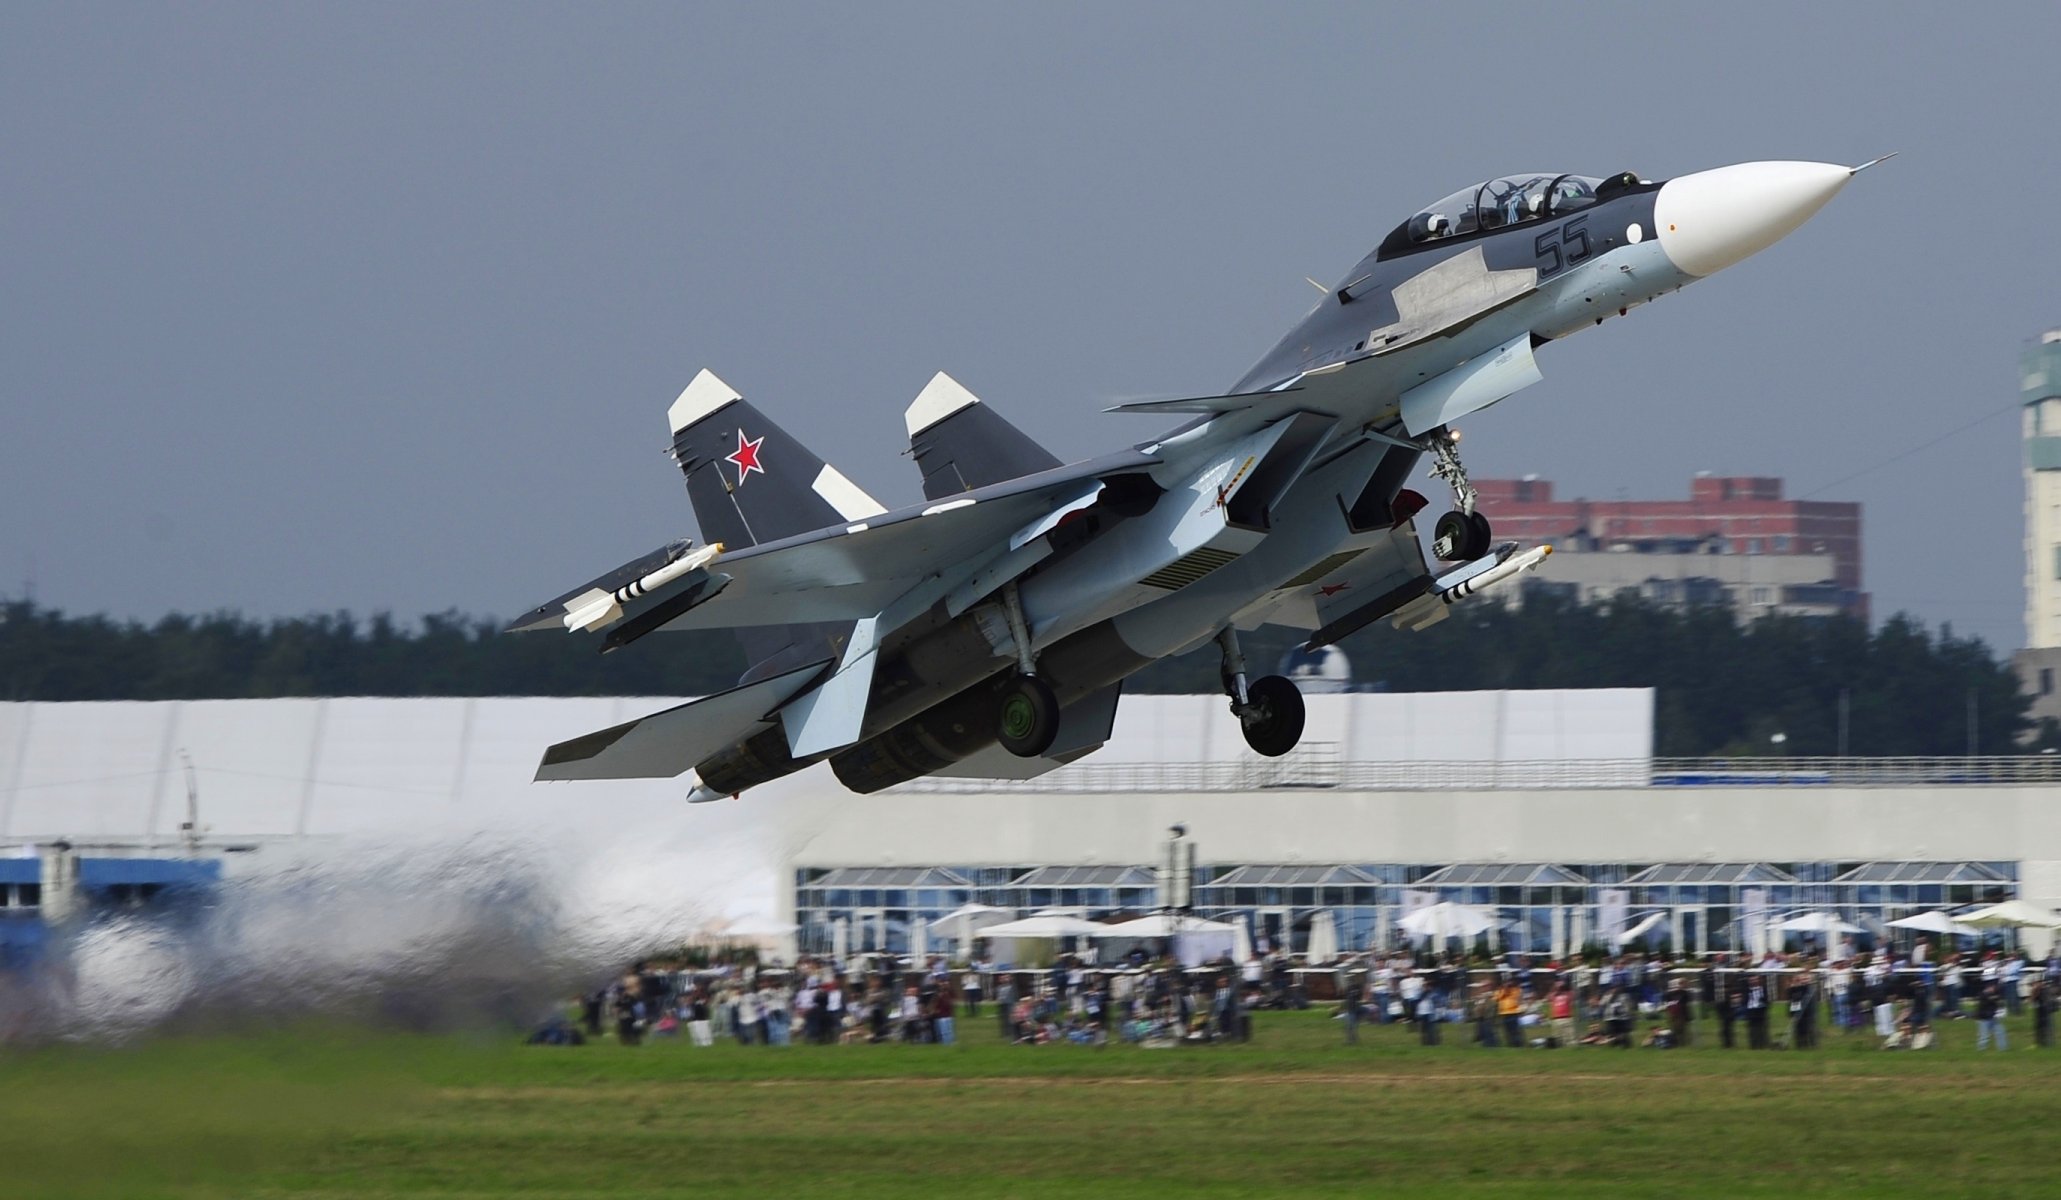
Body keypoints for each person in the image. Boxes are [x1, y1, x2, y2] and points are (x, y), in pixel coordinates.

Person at [1975, 983, 2008, 1050]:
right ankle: (1981, 1049)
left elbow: (1999, 1002)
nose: (1994, 989)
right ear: (1988, 988)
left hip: (1993, 1017)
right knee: (1984, 1036)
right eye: (1992, 988)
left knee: (2000, 1032)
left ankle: (2003, 1048)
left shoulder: (1993, 995)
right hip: (1984, 1019)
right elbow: (1985, 1002)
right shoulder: (1983, 995)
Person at [1495, 978, 1525, 1049]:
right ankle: (1511, 1044)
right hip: (1504, 1014)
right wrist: (1504, 990)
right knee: (1507, 1031)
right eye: (1506, 982)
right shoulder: (1500, 991)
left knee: (1515, 1030)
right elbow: (1497, 998)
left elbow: (1518, 997)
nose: (1508, 984)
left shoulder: (1515, 990)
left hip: (1513, 1013)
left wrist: (1509, 990)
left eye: (1509, 982)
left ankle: (1518, 1044)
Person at [1666, 975, 1694, 1048]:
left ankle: (1681, 1042)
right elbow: (1670, 1002)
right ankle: (1676, 1042)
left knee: (1681, 1029)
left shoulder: (1685, 993)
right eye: (1685, 983)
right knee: (1676, 1028)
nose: (1686, 985)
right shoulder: (1675, 993)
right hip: (1676, 1012)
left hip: (1681, 1012)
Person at [1744, 974, 1770, 1049]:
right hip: (1751, 1010)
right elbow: (1745, 1000)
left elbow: (1767, 1000)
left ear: (1758, 980)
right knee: (1753, 1029)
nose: (1753, 981)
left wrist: (1764, 1003)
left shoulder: (1763, 989)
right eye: (1752, 980)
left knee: (1762, 1028)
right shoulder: (1747, 990)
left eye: (1755, 979)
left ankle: (1763, 1044)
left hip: (1761, 1010)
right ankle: (1754, 1044)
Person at [1548, 979, 1577, 1048]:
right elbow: (1549, 997)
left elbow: (1573, 995)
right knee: (1557, 1036)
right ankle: (1559, 1047)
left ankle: (1570, 1047)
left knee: (1569, 1035)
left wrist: (1565, 987)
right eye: (1557, 987)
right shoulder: (1553, 995)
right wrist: (1555, 989)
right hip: (1556, 1018)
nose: (1559, 989)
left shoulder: (1568, 994)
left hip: (1567, 1017)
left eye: (1560, 987)